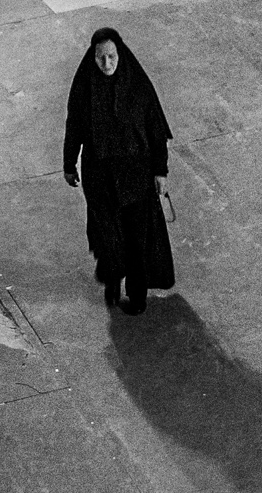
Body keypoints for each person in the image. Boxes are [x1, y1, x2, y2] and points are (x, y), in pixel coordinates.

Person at [62, 26, 177, 314]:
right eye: (101, 58)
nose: (107, 64)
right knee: (108, 236)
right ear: (93, 58)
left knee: (137, 240)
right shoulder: (84, 88)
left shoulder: (137, 86)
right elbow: (74, 126)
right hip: (99, 178)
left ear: (120, 55)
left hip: (135, 177)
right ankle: (113, 277)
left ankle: (137, 296)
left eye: (111, 57)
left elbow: (155, 130)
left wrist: (160, 172)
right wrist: (68, 163)